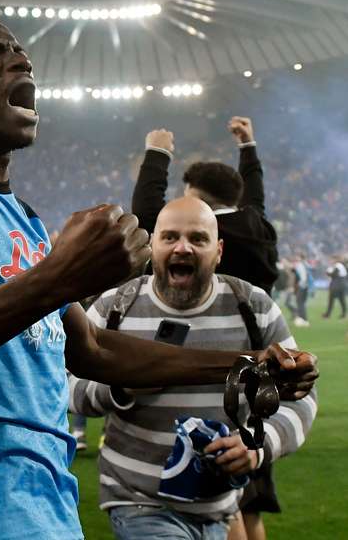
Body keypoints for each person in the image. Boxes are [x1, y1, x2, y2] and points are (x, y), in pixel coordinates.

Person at [0, 4, 317, 540]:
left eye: (20, 52)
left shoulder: (23, 218)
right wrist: (57, 277)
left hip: (46, 500)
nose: (19, 61)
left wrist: (244, 362)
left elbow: (93, 350)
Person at [68, 197, 316, 540]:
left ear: (219, 250)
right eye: (170, 237)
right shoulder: (116, 308)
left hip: (220, 506)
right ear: (153, 245)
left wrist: (260, 447)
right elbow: (64, 386)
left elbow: (300, 397)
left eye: (198, 239)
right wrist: (121, 387)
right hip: (139, 503)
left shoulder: (254, 308)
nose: (182, 247)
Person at [132, 121, 278, 294]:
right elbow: (254, 193)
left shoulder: (204, 233)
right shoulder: (259, 229)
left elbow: (146, 211)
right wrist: (247, 146)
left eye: (188, 197)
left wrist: (157, 153)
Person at [289, 254, 311, 327]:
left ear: (301, 258)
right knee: (301, 303)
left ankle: (303, 319)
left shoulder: (300, 265)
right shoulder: (305, 264)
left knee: (300, 303)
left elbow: (303, 277)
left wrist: (300, 285)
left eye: (297, 257)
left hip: (302, 286)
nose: (296, 258)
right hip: (305, 286)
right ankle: (303, 319)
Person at [323, 255, 346, 319]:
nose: (330, 261)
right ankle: (343, 314)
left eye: (331, 259)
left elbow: (334, 274)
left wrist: (327, 273)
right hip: (341, 284)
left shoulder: (338, 265)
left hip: (336, 285)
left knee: (331, 300)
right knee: (341, 300)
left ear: (335, 259)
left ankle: (328, 314)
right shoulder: (341, 265)